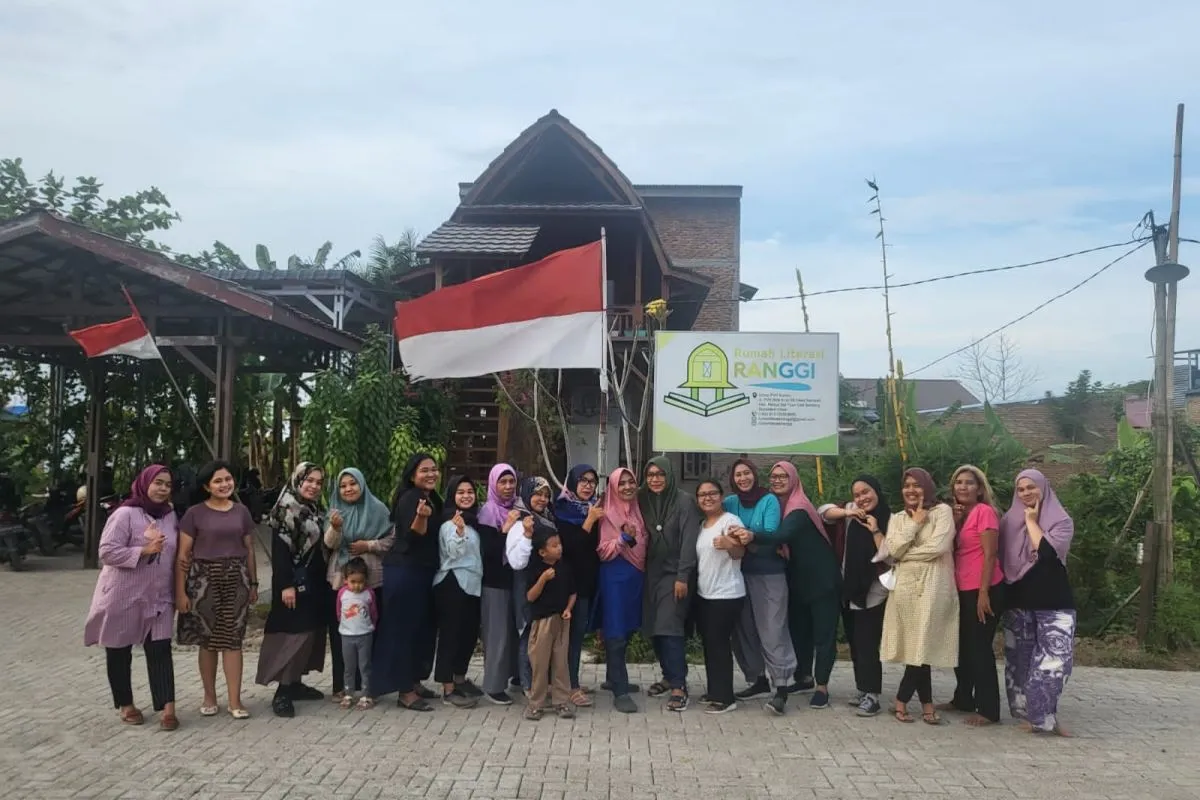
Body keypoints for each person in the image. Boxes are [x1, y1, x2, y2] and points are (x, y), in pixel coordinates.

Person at [84, 465, 180, 730]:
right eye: (158, 483)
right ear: (145, 483)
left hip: (159, 595)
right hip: (124, 594)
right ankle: (126, 704)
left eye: (167, 484)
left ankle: (167, 708)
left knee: (160, 647)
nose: (162, 488)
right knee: (119, 648)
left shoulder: (170, 516)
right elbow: (107, 552)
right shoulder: (124, 514)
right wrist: (144, 550)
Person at [740, 461, 837, 714]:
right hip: (797, 578)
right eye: (774, 476)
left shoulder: (799, 508)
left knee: (823, 634)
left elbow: (781, 536)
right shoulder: (780, 506)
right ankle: (804, 677)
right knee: (799, 631)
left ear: (793, 479)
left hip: (822, 579)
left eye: (783, 476)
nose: (777, 480)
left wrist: (752, 535)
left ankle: (822, 687)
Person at [176, 460, 258, 719]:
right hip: (203, 581)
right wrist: (180, 592)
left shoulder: (242, 512)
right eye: (218, 481)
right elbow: (183, 555)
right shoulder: (194, 514)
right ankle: (209, 696)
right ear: (206, 486)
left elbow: (249, 549)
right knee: (208, 641)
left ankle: (235, 700)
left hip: (237, 579)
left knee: (234, 640)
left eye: (228, 479)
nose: (224, 484)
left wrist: (253, 583)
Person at [999, 468, 1076, 737]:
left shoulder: (1061, 520)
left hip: (1054, 600)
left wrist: (1031, 522)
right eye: (1020, 489)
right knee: (1020, 662)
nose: (1025, 493)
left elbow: (1047, 554)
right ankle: (1036, 718)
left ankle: (1043, 715)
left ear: (1043, 487)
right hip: (1017, 600)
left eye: (1031, 487)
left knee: (1056, 661)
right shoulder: (1008, 521)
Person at [881, 468, 958, 725]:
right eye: (907, 485)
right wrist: (915, 524)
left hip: (934, 586)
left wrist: (904, 555)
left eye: (917, 485)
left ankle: (901, 699)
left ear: (927, 487)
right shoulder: (898, 518)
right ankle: (927, 705)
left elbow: (938, 547)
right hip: (905, 590)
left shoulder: (942, 512)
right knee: (917, 646)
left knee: (923, 643)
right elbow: (893, 549)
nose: (911, 490)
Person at [722, 459, 798, 705]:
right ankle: (757, 679)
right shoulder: (730, 502)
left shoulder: (768, 500)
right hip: (738, 575)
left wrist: (748, 539)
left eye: (747, 473)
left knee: (772, 629)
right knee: (745, 630)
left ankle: (782, 685)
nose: (743, 478)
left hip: (768, 575)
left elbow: (772, 535)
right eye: (738, 475)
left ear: (754, 475)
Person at [257, 462, 330, 717]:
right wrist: (286, 585)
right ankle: (283, 692)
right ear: (297, 480)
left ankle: (296, 683)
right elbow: (280, 553)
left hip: (313, 583)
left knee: (309, 633)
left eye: (319, 482)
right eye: (309, 480)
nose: (314, 486)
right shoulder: (285, 509)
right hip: (292, 584)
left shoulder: (314, 509)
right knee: (293, 635)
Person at [373, 453, 442, 711]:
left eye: (434, 469)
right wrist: (422, 517)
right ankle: (404, 691)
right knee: (403, 631)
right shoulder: (411, 498)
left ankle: (414, 681)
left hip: (422, 572)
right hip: (405, 572)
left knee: (420, 630)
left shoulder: (431, 497)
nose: (431, 474)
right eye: (424, 470)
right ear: (412, 475)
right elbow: (414, 536)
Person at [819, 474, 891, 718]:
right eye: (857, 494)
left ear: (877, 491)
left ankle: (873, 695)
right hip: (849, 589)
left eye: (866, 492)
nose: (862, 498)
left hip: (873, 591)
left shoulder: (889, 518)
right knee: (855, 644)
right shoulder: (851, 513)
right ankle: (863, 689)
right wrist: (849, 513)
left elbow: (890, 555)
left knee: (867, 644)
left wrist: (875, 529)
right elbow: (823, 512)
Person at [324, 467, 393, 703]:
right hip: (341, 579)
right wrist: (335, 528)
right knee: (340, 634)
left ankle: (370, 687)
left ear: (362, 484)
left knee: (371, 631)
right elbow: (330, 544)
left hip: (372, 579)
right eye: (343, 486)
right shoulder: (335, 511)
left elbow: (391, 539)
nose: (348, 489)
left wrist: (369, 545)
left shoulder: (378, 509)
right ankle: (342, 686)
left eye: (353, 484)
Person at [638, 456, 700, 712]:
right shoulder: (642, 498)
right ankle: (668, 675)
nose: (655, 479)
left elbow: (689, 541)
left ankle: (678, 685)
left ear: (669, 475)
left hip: (674, 574)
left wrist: (682, 576)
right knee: (654, 627)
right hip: (649, 573)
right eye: (650, 475)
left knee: (669, 627)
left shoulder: (684, 501)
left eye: (660, 474)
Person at [944, 464, 1005, 726]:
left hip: (984, 588)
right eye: (958, 482)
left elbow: (990, 555)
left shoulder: (984, 512)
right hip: (961, 588)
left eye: (969, 483)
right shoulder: (959, 515)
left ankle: (989, 709)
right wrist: (956, 522)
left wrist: (983, 593)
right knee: (961, 646)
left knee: (979, 648)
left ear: (979, 489)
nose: (963, 487)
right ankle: (963, 698)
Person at [694, 479, 747, 714]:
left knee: (719, 645)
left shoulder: (730, 521)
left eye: (712, 493)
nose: (707, 498)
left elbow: (739, 552)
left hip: (726, 594)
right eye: (702, 495)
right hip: (705, 594)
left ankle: (725, 697)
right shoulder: (702, 525)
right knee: (710, 644)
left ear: (721, 496)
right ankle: (714, 690)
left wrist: (729, 544)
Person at [596, 467, 647, 714]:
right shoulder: (606, 514)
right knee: (615, 630)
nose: (627, 487)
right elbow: (602, 551)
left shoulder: (638, 509)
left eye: (631, 482)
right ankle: (620, 691)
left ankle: (612, 677)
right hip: (614, 576)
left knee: (626, 629)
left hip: (635, 577)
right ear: (613, 488)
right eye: (621, 483)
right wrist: (623, 539)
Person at [554, 464, 604, 707]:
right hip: (569, 585)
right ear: (572, 482)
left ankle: (570, 680)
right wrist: (589, 521)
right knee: (570, 638)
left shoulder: (594, 507)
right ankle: (570, 687)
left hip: (587, 582)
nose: (587, 485)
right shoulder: (562, 509)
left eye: (592, 481)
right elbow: (569, 548)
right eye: (582, 480)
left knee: (578, 636)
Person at [434, 475, 485, 708]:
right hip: (452, 583)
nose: (466, 496)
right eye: (460, 492)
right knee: (450, 636)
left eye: (470, 492)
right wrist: (460, 531)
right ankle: (448, 688)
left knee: (468, 634)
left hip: (472, 585)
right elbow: (454, 553)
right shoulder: (449, 523)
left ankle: (460, 678)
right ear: (452, 496)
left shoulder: (473, 521)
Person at [506, 476, 557, 697]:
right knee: (527, 633)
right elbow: (516, 561)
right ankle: (528, 685)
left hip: (545, 582)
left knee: (541, 634)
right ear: (527, 494)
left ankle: (539, 682)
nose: (542, 499)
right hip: (526, 582)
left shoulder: (548, 519)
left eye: (546, 495)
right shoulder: (520, 522)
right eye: (537, 494)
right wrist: (527, 535)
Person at [477, 463, 520, 705]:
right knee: (498, 635)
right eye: (502, 482)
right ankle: (494, 686)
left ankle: (515, 676)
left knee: (514, 632)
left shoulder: (518, 508)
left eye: (511, 481)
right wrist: (506, 528)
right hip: (494, 582)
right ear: (493, 484)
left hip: (516, 579)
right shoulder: (488, 512)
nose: (508, 486)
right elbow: (489, 552)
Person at [523, 529, 577, 720]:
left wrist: (569, 608)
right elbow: (530, 596)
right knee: (540, 664)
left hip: (561, 621)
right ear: (542, 552)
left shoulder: (565, 568)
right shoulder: (535, 569)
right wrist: (543, 579)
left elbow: (572, 592)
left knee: (560, 663)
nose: (559, 548)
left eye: (559, 544)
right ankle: (536, 703)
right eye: (554, 546)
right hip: (542, 622)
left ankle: (561, 701)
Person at [335, 557, 378, 709]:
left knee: (365, 666)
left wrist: (371, 625)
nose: (357, 586)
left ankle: (366, 694)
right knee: (349, 666)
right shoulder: (342, 593)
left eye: (360, 582)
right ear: (346, 580)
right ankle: (348, 693)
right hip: (346, 636)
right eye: (353, 582)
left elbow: (374, 612)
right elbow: (338, 612)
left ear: (366, 580)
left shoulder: (369, 594)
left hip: (365, 635)